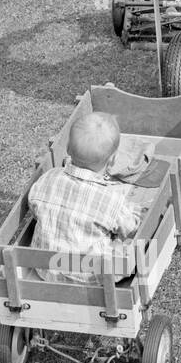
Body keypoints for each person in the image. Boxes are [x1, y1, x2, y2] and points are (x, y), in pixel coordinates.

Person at [28, 111, 142, 285]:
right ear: (112, 161)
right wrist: (136, 213)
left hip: (44, 268)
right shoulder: (111, 199)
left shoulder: (48, 178)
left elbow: (35, 208)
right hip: (89, 276)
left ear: (67, 149)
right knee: (127, 249)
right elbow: (131, 228)